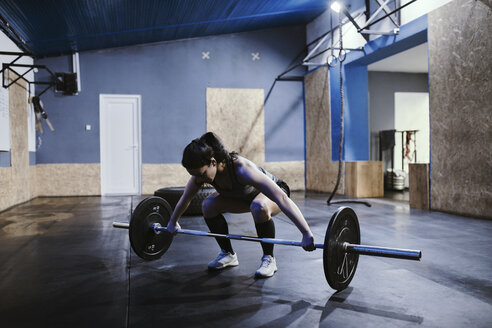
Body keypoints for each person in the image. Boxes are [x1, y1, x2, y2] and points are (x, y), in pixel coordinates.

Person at [166, 132, 315, 278]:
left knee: (258, 207)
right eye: (194, 175)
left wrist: (306, 233)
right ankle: (228, 254)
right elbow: (185, 199)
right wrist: (173, 222)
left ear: (213, 162)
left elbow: (281, 198)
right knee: (208, 205)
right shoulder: (200, 176)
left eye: (201, 174)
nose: (199, 179)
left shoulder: (242, 169)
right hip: (244, 198)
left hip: (273, 194)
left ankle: (269, 258)